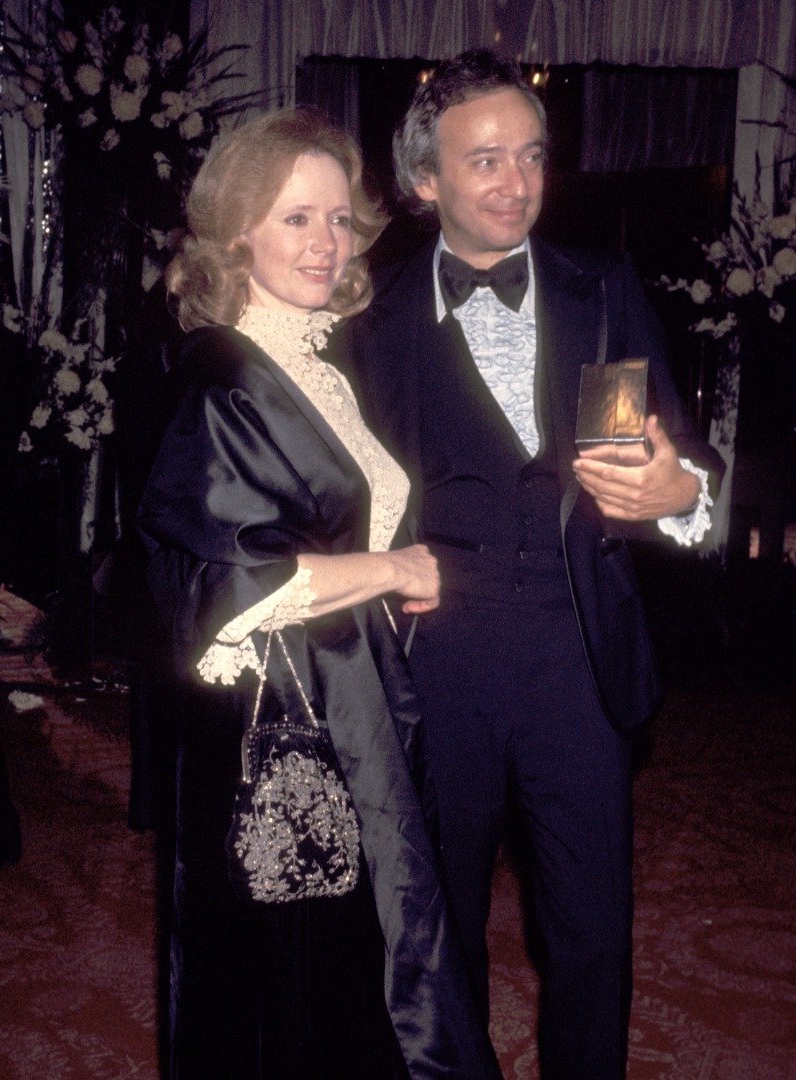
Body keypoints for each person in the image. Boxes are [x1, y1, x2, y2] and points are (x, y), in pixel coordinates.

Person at [343, 51, 726, 1079]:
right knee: (438, 933)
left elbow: (652, 456)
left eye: (532, 156)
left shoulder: (597, 290)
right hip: (435, 664)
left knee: (592, 935)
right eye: (486, 161)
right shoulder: (366, 324)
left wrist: (679, 494)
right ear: (425, 181)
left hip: (576, 654)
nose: (517, 183)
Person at [136, 109, 500, 1080]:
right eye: (295, 218)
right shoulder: (228, 374)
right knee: (288, 977)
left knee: (361, 957)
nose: (324, 242)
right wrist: (394, 569)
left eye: (337, 219)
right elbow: (230, 588)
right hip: (278, 728)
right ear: (237, 231)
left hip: (354, 704)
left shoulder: (313, 361)